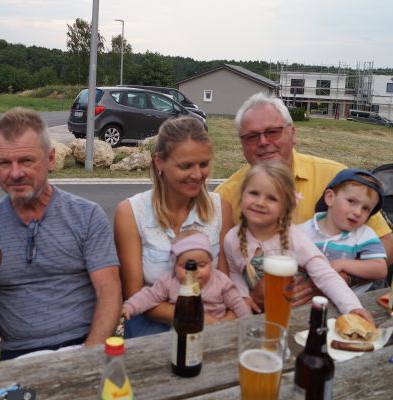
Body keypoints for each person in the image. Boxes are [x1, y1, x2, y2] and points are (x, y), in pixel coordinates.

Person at [0, 107, 122, 360]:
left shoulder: (86, 216)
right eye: (4, 163)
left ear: (51, 159)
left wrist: (89, 358)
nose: (15, 173)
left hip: (82, 346)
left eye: (26, 161)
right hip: (19, 357)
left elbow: (109, 293)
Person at [216, 92, 393, 305]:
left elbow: (386, 242)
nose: (263, 142)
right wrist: (249, 297)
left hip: (336, 307)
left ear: (293, 133)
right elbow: (224, 268)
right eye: (251, 136)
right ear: (242, 144)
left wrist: (345, 277)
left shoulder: (334, 178)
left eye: (272, 132)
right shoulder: (226, 195)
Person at [114, 116, 233, 338]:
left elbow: (228, 285)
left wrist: (226, 321)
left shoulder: (220, 208)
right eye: (185, 166)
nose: (197, 175)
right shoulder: (131, 212)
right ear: (159, 162)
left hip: (212, 325)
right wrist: (195, 317)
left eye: (203, 164)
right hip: (151, 328)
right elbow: (134, 294)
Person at [223, 161, 373, 323]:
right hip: (261, 318)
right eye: (254, 193)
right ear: (242, 195)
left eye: (272, 198)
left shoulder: (295, 237)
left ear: (286, 207)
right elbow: (236, 273)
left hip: (301, 317)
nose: (260, 202)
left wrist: (352, 308)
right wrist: (244, 297)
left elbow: (325, 274)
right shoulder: (232, 238)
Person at [122, 232, 250, 324]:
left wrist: (249, 324)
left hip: (217, 328)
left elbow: (237, 303)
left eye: (202, 265)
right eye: (186, 266)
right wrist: (129, 307)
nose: (194, 272)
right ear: (174, 266)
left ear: (210, 263)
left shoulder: (220, 281)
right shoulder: (170, 280)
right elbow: (149, 295)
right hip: (182, 330)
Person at [299, 168, 388, 294]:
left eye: (366, 208)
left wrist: (341, 264)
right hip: (310, 296)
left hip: (353, 297)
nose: (357, 212)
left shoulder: (363, 234)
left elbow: (380, 269)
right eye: (351, 201)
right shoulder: (303, 231)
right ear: (330, 198)